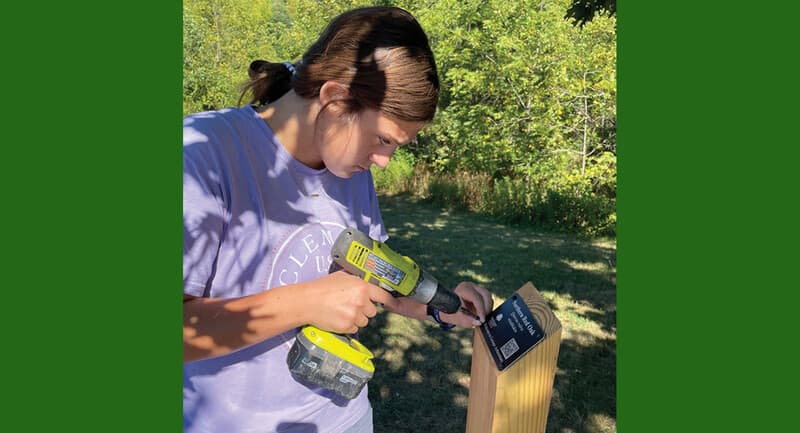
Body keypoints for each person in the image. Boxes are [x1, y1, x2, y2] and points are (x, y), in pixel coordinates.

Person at [183, 6, 493, 433]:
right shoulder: (201, 157)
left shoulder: (348, 166)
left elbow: (370, 276)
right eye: (383, 139)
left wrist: (440, 309)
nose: (385, 162)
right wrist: (305, 302)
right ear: (332, 100)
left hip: (343, 420)